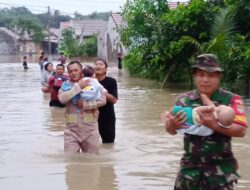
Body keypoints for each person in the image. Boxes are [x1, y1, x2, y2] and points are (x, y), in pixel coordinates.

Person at [162, 54, 248, 189]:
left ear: (219, 77)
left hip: (220, 173)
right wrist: (172, 126)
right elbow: (171, 130)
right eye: (201, 75)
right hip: (189, 171)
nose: (205, 80)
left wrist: (213, 125)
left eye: (211, 75)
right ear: (194, 76)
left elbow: (241, 131)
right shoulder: (184, 100)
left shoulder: (232, 100)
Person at [58, 60, 106, 154]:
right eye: (70, 71)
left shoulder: (91, 82)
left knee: (92, 161)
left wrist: (86, 105)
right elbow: (62, 99)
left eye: (76, 70)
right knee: (70, 160)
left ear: (81, 71)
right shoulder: (65, 85)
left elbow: (103, 100)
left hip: (90, 129)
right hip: (71, 130)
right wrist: (78, 87)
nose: (73, 73)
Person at [162, 93, 235, 136]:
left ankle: (168, 115)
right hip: (191, 127)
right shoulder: (184, 97)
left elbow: (208, 105)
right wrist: (172, 126)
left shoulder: (216, 110)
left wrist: (204, 97)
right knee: (181, 126)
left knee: (177, 109)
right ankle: (168, 117)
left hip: (193, 117)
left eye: (224, 107)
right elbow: (171, 132)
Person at [94, 58, 118, 143]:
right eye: (96, 64)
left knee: (108, 144)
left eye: (101, 64)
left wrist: (101, 90)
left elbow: (114, 100)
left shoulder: (111, 81)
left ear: (106, 69)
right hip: (91, 116)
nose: (98, 65)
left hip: (107, 116)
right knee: (90, 144)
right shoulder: (88, 81)